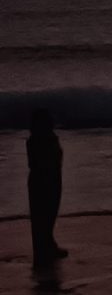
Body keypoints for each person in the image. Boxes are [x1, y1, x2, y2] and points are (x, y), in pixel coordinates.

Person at [26, 109, 61, 265]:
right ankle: (43, 249)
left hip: (46, 179)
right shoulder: (41, 140)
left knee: (47, 216)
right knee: (44, 216)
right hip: (45, 180)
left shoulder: (38, 139)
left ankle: (46, 246)